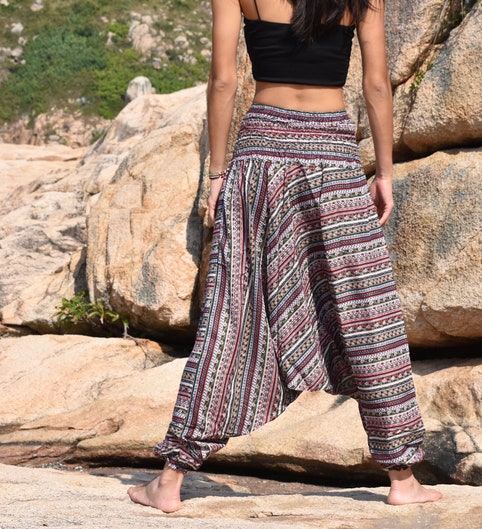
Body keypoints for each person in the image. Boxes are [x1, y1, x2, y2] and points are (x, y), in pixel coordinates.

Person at [128, 0, 442, 512]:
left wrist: (217, 172)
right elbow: (377, 84)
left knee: (234, 312)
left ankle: (170, 480)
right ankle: (402, 478)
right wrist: (384, 172)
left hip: (260, 156)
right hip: (332, 156)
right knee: (367, 311)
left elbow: (223, 81)